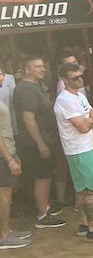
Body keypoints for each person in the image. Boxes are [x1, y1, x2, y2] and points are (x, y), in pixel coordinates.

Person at [52, 62, 93, 242]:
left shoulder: (79, 96)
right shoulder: (65, 100)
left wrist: (91, 120)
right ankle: (92, 228)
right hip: (79, 149)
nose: (79, 80)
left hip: (83, 147)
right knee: (90, 190)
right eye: (74, 78)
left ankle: (85, 225)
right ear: (64, 80)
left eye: (80, 76)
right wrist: (91, 120)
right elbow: (85, 126)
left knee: (83, 190)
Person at [12, 56, 64, 228]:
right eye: (37, 66)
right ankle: (43, 214)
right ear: (27, 69)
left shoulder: (35, 86)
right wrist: (41, 144)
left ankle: (44, 206)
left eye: (43, 66)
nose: (42, 69)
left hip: (39, 139)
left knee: (44, 175)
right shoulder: (27, 89)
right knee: (43, 177)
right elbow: (28, 119)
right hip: (34, 142)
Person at [0, 63, 31, 249]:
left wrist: (13, 154)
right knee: (4, 196)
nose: (3, 77)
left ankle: (7, 230)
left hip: (7, 153)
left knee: (7, 195)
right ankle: (3, 235)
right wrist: (9, 158)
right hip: (2, 156)